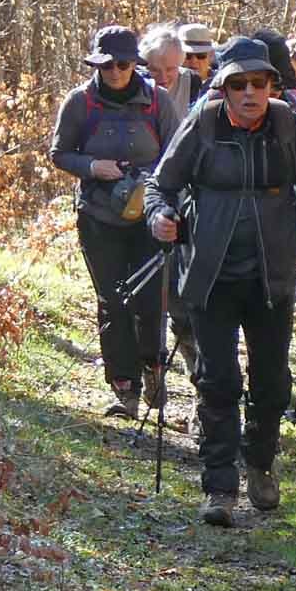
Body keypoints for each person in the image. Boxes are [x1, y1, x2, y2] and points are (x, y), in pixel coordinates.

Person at [144, 37, 296, 527]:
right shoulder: (202, 125)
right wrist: (161, 217)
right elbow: (160, 186)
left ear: (273, 86)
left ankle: (261, 463)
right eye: (239, 84)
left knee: (272, 382)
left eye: (259, 83)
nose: (250, 92)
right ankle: (219, 485)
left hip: (271, 274)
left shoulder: (290, 128)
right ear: (224, 89)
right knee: (218, 379)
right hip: (210, 272)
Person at [49, 25, 181, 418]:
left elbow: (178, 156)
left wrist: (152, 184)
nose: (115, 72)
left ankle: (154, 369)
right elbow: (59, 153)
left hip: (150, 219)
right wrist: (93, 166)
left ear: (134, 64)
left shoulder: (157, 102)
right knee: (112, 301)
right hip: (98, 216)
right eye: (106, 65)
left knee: (151, 301)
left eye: (123, 64)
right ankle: (124, 387)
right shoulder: (80, 103)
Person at [140, 24, 202, 118]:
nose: (163, 77)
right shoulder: (134, 83)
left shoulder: (191, 83)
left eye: (170, 69)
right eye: (154, 70)